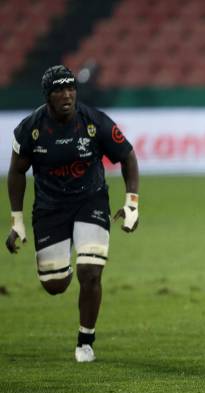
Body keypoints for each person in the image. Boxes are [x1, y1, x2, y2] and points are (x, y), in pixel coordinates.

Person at [5, 65, 140, 362]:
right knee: (55, 285)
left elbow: (127, 156)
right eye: (59, 90)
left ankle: (85, 342)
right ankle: (61, 259)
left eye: (70, 89)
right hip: (49, 209)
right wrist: (17, 222)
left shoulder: (94, 121)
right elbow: (16, 172)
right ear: (47, 96)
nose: (67, 95)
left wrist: (132, 203)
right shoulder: (30, 129)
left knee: (90, 272)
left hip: (90, 201)